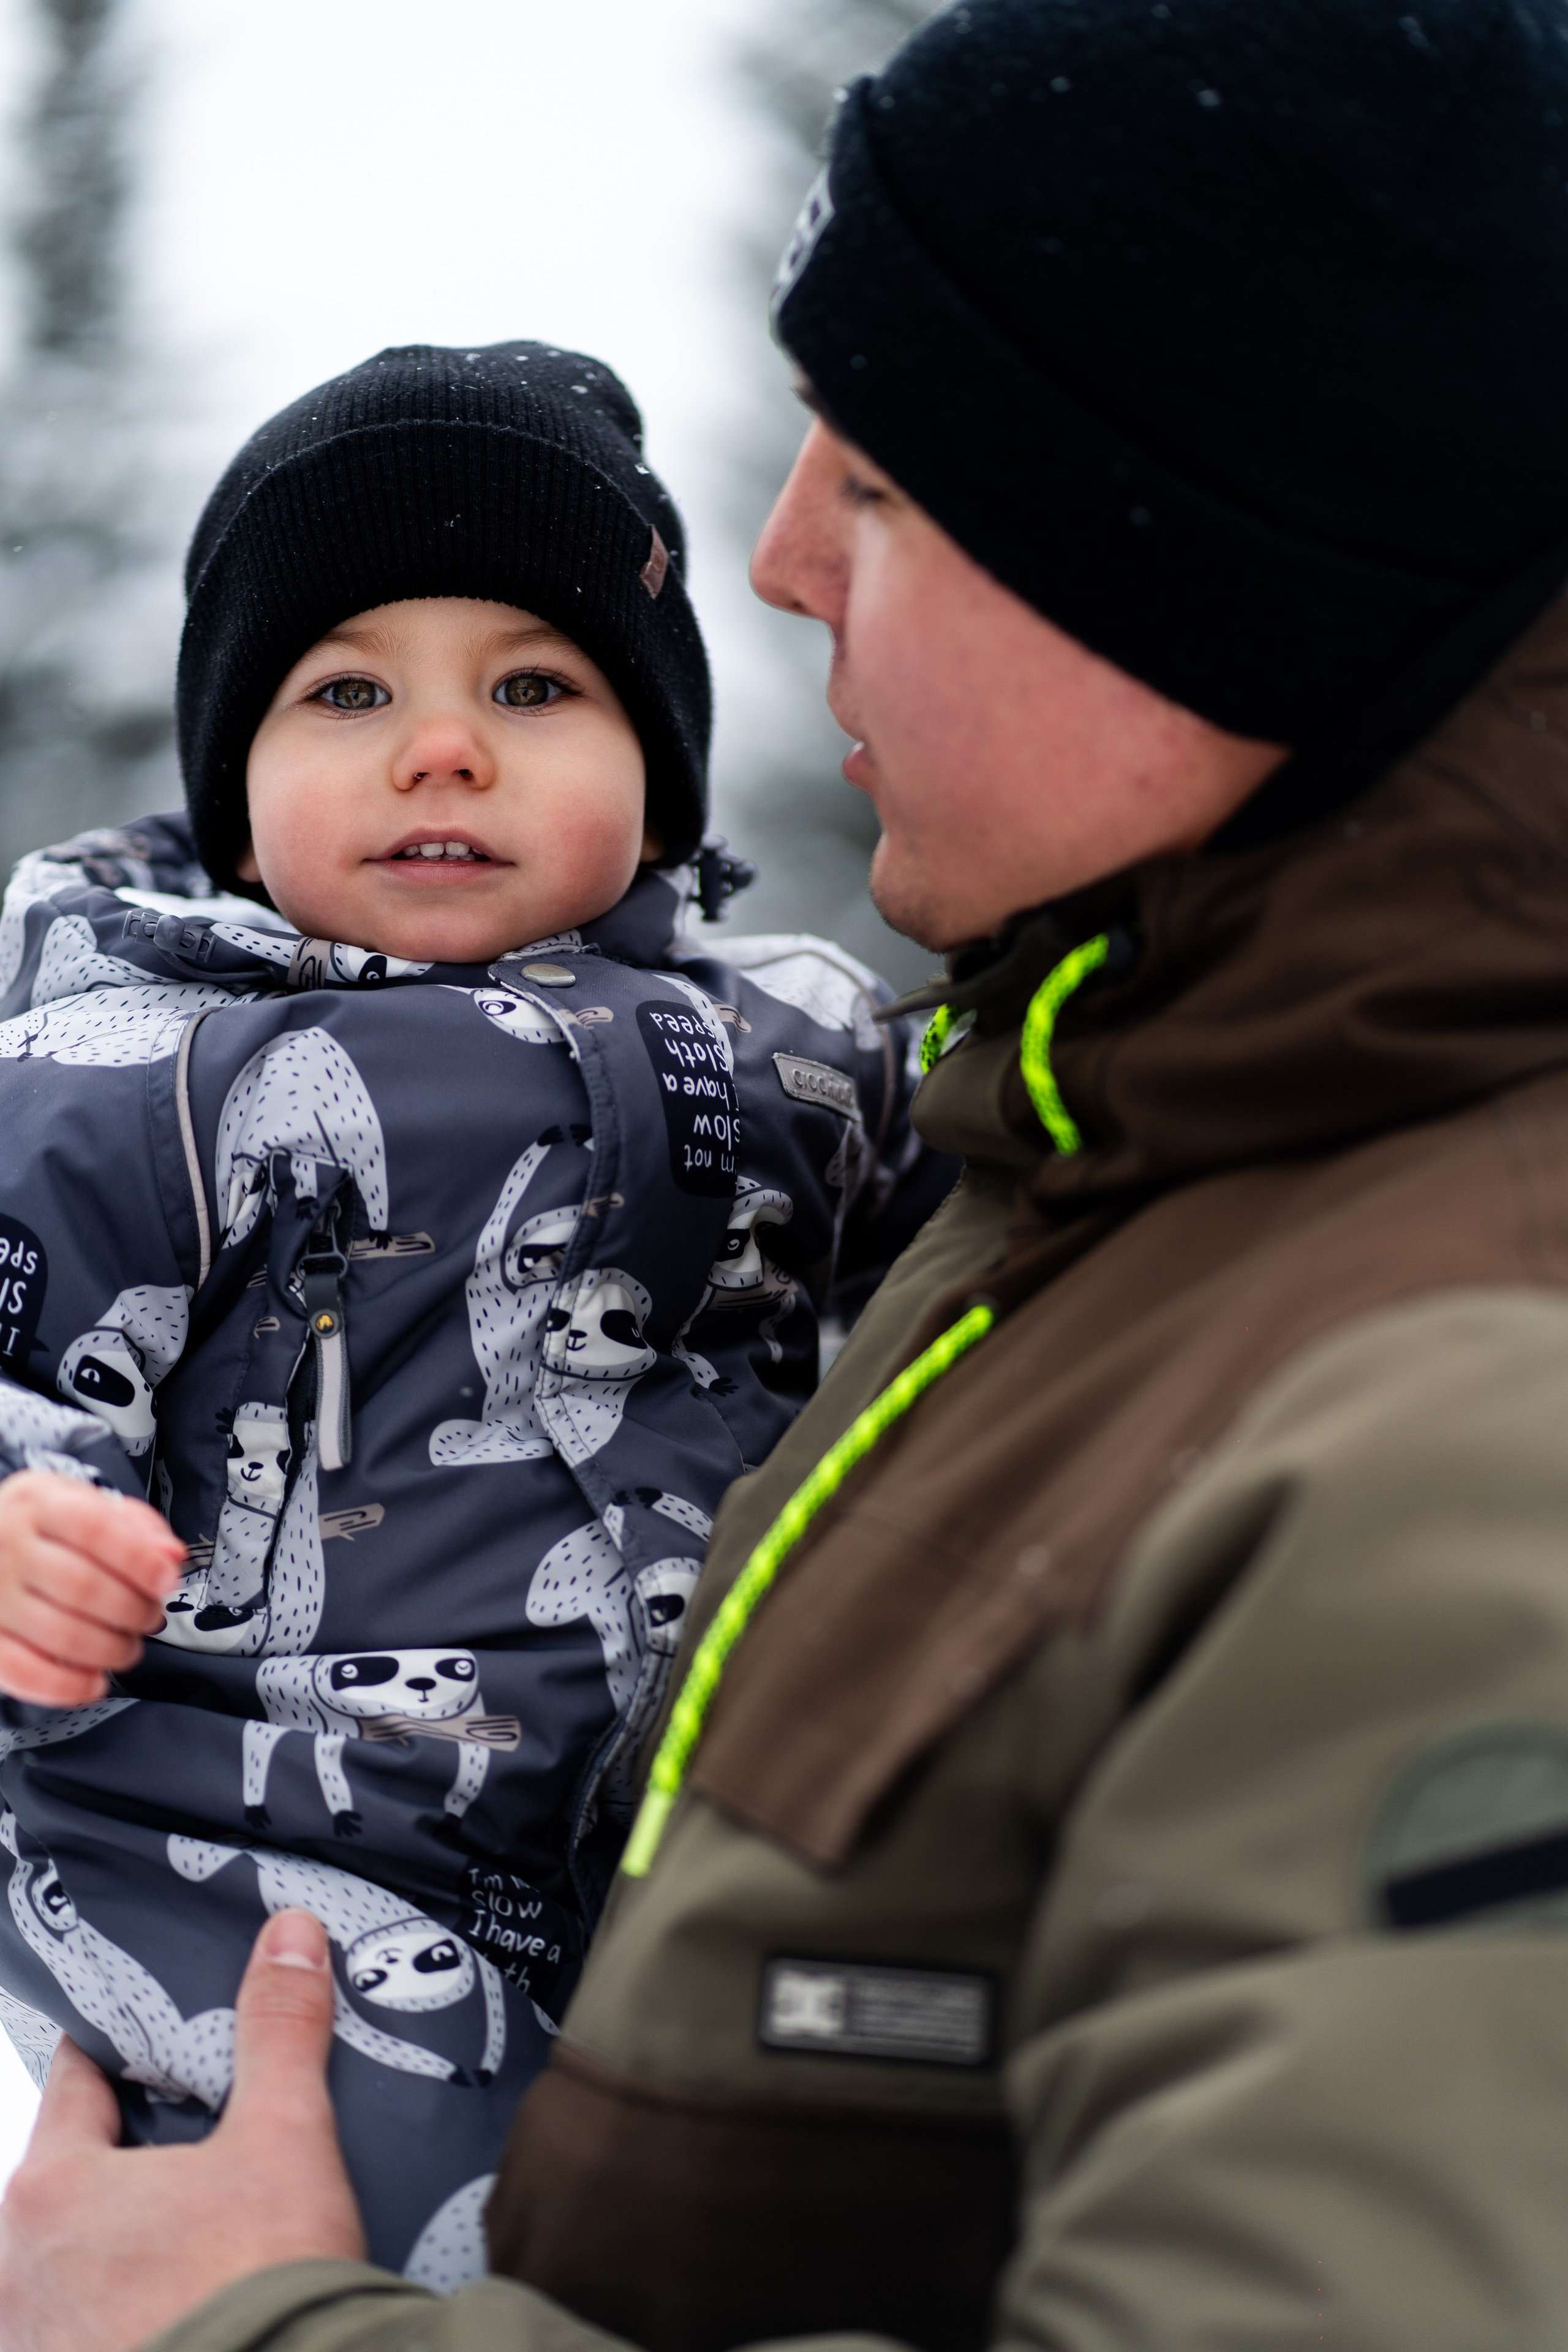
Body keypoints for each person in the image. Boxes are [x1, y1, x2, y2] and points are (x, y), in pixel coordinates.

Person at [12, 0, 1568, 2340]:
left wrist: (251, 2338)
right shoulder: (1081, 1161)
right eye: (344, 690)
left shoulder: (1439, 1390)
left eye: (890, 482)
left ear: (1185, 550)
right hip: (224, 1914)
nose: (772, 562)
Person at [0, 341, 943, 2284]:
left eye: (537, 685)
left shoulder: (802, 1049)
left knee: (779, 2215)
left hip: (667, 1829)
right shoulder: (143, 1071)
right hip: (254, 1855)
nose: (444, 747)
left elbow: (1034, 1240)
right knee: (414, 2234)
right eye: (348, 689)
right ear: (239, 807)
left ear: (660, 785)